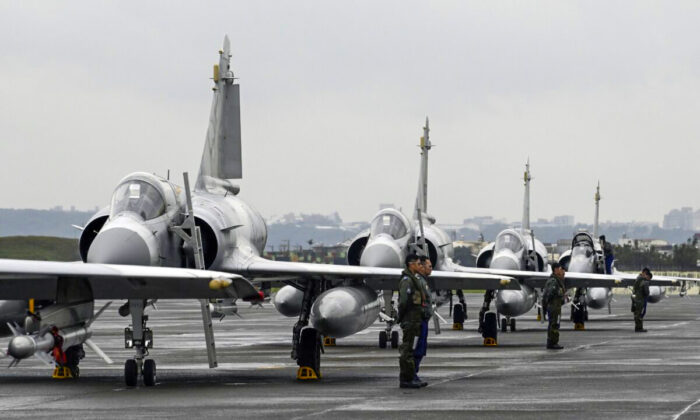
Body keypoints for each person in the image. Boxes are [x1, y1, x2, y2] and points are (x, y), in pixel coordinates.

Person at [397, 253, 427, 389]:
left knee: (412, 349)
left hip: (415, 320)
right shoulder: (407, 281)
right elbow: (403, 302)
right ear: (411, 264)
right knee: (407, 350)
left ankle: (410, 377)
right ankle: (406, 379)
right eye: (417, 263)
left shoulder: (413, 279)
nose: (419, 265)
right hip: (410, 321)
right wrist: (402, 317)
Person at [413, 256, 433, 387]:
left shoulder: (423, 281)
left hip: (423, 320)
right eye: (429, 266)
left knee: (421, 349)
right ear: (422, 266)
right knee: (416, 349)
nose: (431, 269)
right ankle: (411, 375)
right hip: (418, 321)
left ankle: (413, 374)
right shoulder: (417, 281)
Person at [542, 262, 567, 350]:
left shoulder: (556, 280)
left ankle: (551, 342)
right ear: (556, 270)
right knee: (555, 324)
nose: (562, 271)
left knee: (553, 324)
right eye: (560, 269)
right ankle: (553, 342)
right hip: (554, 307)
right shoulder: (553, 281)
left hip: (555, 306)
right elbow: (549, 294)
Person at [632, 268, 652, 332]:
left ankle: (638, 327)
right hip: (640, 300)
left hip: (635, 299)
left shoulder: (638, 279)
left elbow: (634, 289)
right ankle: (639, 328)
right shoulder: (644, 281)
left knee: (636, 313)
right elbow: (646, 292)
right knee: (639, 314)